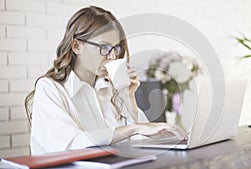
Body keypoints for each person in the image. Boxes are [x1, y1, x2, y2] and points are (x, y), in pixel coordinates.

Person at [25, 6, 185, 155]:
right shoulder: (50, 88)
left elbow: (138, 141)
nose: (112, 56)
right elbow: (69, 144)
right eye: (105, 47)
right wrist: (134, 128)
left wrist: (128, 97)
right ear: (76, 46)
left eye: (116, 49)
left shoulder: (108, 89)